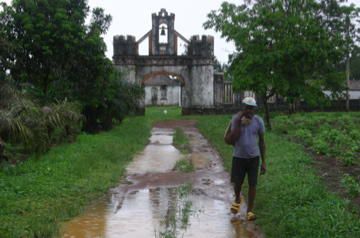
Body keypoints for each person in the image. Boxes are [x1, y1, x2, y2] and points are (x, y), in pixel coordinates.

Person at [228, 97, 266, 221]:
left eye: (251, 108)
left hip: (254, 158)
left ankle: (250, 210)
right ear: (243, 107)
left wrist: (264, 162)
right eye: (247, 108)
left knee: (252, 184)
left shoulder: (258, 121)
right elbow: (231, 138)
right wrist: (239, 123)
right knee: (237, 183)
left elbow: (261, 141)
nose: (249, 110)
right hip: (238, 157)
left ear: (254, 109)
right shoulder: (235, 119)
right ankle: (238, 198)